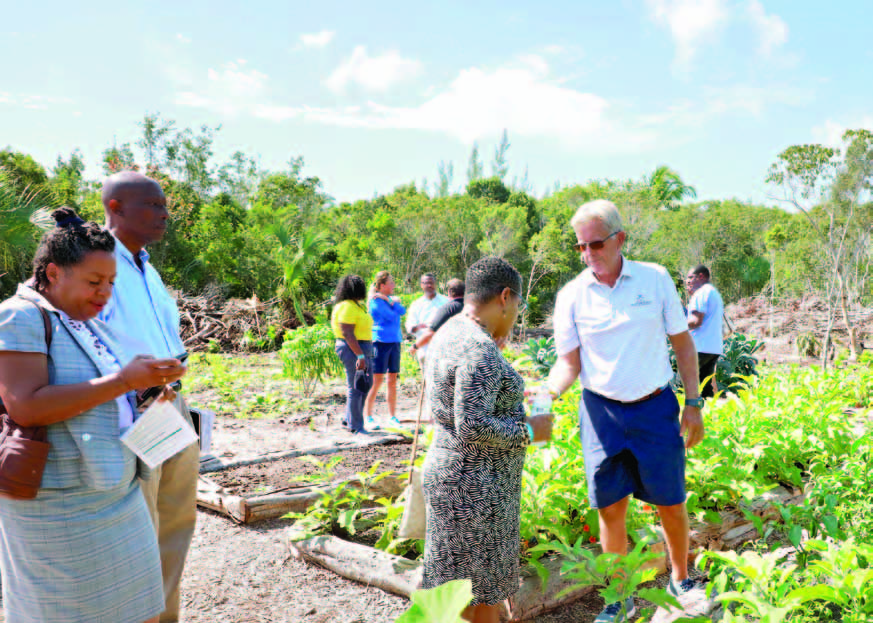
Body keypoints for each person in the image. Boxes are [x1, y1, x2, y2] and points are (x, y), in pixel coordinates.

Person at [0, 208, 187, 623]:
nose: (105, 293)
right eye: (94, 282)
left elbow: (94, 395)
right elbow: (25, 404)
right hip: (60, 505)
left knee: (141, 610)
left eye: (111, 283)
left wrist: (147, 390)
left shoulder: (83, 321)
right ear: (52, 273)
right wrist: (123, 381)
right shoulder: (20, 315)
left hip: (115, 495)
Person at [544, 200, 705, 622]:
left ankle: (680, 578)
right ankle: (619, 598)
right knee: (610, 506)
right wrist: (545, 394)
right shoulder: (571, 295)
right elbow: (568, 363)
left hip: (655, 408)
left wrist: (693, 404)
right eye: (580, 247)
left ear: (620, 239)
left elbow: (682, 343)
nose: (587, 254)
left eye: (595, 244)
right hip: (601, 414)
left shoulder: (653, 280)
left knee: (670, 500)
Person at [421, 257, 553, 623]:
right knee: (479, 597)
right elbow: (474, 426)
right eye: (519, 306)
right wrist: (530, 430)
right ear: (505, 297)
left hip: (457, 480)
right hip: (477, 492)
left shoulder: (450, 332)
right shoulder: (478, 349)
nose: (516, 314)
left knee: (460, 594)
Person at [98, 171, 199, 623]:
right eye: (152, 205)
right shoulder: (97, 264)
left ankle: (164, 617)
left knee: (174, 522)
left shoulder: (146, 266)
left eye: (164, 207)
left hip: (167, 405)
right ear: (115, 208)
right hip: (132, 408)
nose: (163, 214)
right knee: (141, 529)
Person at [331, 275, 375, 434]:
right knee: (357, 387)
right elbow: (347, 333)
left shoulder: (356, 305)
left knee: (364, 385)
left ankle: (349, 419)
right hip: (353, 348)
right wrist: (360, 356)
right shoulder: (347, 306)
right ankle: (356, 426)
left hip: (363, 346)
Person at [365, 271, 407, 428]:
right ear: (382, 285)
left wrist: (391, 301)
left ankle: (392, 416)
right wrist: (393, 301)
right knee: (377, 381)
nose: (393, 285)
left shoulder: (387, 300)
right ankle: (368, 416)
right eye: (390, 283)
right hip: (380, 342)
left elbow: (402, 311)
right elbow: (391, 316)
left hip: (395, 341)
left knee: (392, 380)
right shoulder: (375, 301)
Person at [685, 265, 724, 399]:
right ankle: (710, 416)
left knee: (682, 385)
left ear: (701, 276)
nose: (687, 281)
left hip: (698, 348)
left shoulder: (701, 293)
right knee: (705, 387)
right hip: (712, 348)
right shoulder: (713, 292)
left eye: (691, 277)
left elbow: (696, 321)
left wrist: (674, 326)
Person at [410, 278, 465, 355]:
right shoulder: (474, 307)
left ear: (449, 291)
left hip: (453, 352)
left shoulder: (449, 308)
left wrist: (415, 346)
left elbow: (430, 333)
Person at [405, 273, 448, 364]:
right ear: (421, 285)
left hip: (444, 348)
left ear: (435, 284)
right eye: (426, 283)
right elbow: (410, 325)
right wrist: (417, 327)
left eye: (431, 283)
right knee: (426, 377)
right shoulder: (416, 304)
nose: (429, 285)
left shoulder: (446, 301)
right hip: (424, 348)